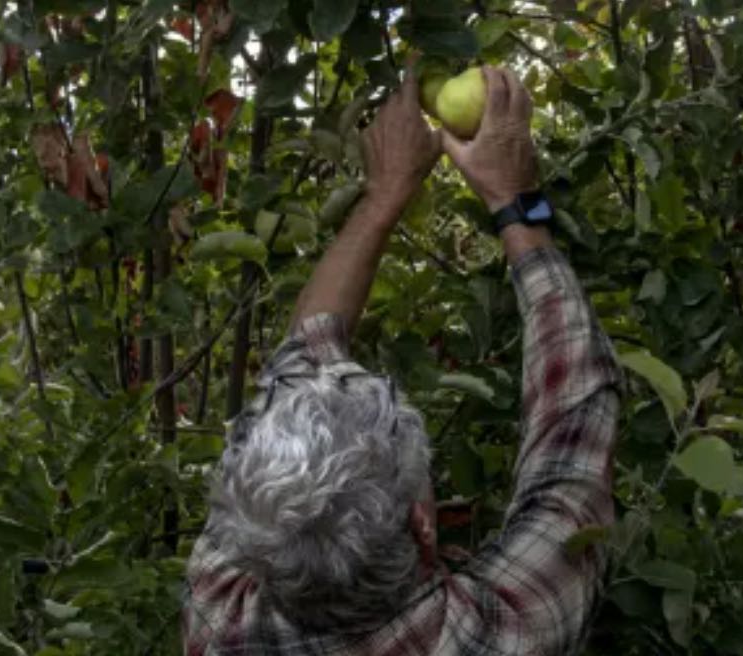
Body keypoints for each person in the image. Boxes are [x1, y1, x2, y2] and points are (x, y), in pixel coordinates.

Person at [183, 64, 623, 655]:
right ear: (422, 525)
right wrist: (520, 204)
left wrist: (384, 194)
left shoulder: (220, 619)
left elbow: (306, 345)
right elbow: (575, 423)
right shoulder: (507, 632)